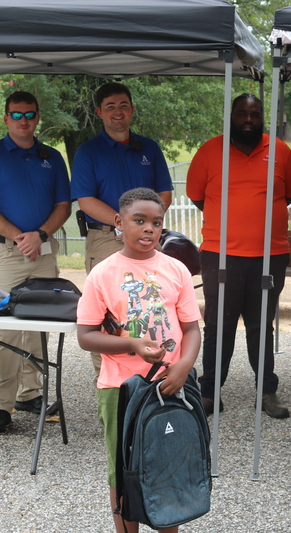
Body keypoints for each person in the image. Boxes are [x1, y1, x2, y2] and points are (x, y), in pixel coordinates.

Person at [76, 188, 201, 533]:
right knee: (123, 471)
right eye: (139, 220)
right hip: (121, 389)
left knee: (168, 468)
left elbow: (192, 330)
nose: (149, 229)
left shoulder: (177, 270)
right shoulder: (102, 274)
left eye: (156, 222)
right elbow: (86, 336)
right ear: (119, 222)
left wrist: (184, 366)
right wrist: (132, 343)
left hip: (170, 385)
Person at [186, 93, 291, 418]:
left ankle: (267, 392)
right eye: (241, 113)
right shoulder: (211, 151)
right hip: (220, 256)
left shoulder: (280, 151)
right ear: (231, 116)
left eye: (254, 113)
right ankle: (209, 393)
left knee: (260, 326)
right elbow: (197, 196)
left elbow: (289, 194)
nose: (248, 119)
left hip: (270, 255)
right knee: (217, 325)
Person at [0, 90, 71, 434]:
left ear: (38, 117)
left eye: (29, 114)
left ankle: (31, 393)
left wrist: (38, 235)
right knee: (3, 326)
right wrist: (18, 236)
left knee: (39, 323)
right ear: (5, 118)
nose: (23, 120)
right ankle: (0, 405)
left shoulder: (52, 157)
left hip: (41, 251)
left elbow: (63, 206)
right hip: (5, 253)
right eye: (16, 115)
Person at [72, 81, 174, 372]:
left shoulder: (149, 148)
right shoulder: (88, 152)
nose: (118, 112)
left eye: (123, 106)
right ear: (99, 112)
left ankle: (152, 374)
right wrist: (123, 225)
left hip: (146, 243)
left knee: (149, 307)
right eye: (110, 107)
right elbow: (86, 200)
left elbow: (164, 194)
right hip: (105, 239)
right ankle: (109, 382)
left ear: (132, 110)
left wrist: (141, 226)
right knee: (106, 315)